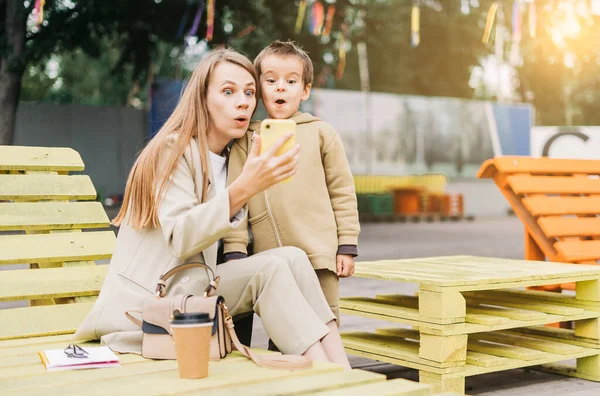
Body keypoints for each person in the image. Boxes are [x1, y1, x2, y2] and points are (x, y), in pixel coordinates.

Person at [73, 48, 350, 368]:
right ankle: (328, 379)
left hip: (195, 289)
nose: (244, 101)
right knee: (270, 270)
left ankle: (343, 372)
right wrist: (245, 188)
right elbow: (180, 236)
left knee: (293, 257)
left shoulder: (232, 156)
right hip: (148, 309)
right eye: (228, 92)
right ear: (202, 99)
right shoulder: (173, 150)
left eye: (249, 92)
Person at [223, 40, 360, 324]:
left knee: (324, 322)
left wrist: (346, 245)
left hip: (320, 254)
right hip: (271, 260)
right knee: (285, 326)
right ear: (260, 90)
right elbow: (235, 200)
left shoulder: (322, 133)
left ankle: (329, 368)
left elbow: (342, 192)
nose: (280, 87)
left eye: (291, 81)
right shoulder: (247, 140)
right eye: (271, 80)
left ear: (305, 90)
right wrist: (234, 250)